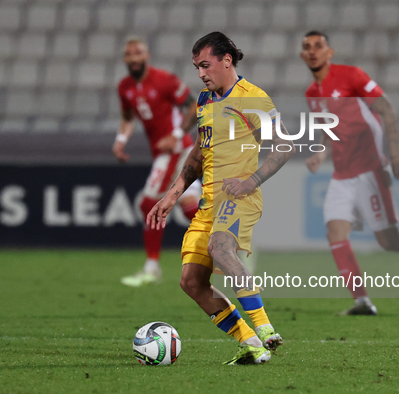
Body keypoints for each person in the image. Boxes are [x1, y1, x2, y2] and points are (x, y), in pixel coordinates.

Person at [147, 32, 294, 365]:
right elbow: (198, 153)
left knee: (220, 248)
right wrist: (171, 195)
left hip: (240, 196)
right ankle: (252, 343)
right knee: (191, 282)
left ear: (226, 60)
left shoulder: (253, 98)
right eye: (197, 67)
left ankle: (265, 328)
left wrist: (251, 181)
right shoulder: (204, 100)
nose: (201, 73)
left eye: (205, 65)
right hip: (207, 204)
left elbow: (285, 145)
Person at [301, 30, 399, 315]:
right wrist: (321, 152)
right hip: (342, 175)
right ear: (302, 55)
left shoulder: (351, 76)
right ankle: (362, 301)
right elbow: (328, 129)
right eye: (307, 47)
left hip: (369, 169)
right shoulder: (311, 93)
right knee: (334, 231)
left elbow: (387, 110)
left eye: (318, 46)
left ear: (329, 52)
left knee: (390, 241)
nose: (312, 51)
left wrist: (394, 156)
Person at [114, 37, 201, 287]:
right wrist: (121, 140)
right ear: (125, 59)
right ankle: (232, 242)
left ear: (146, 56)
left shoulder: (164, 80)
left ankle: (152, 268)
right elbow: (128, 116)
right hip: (168, 151)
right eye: (128, 54)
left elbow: (194, 106)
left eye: (137, 53)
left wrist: (174, 135)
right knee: (189, 207)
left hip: (176, 149)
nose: (133, 57)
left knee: (148, 203)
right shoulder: (125, 87)